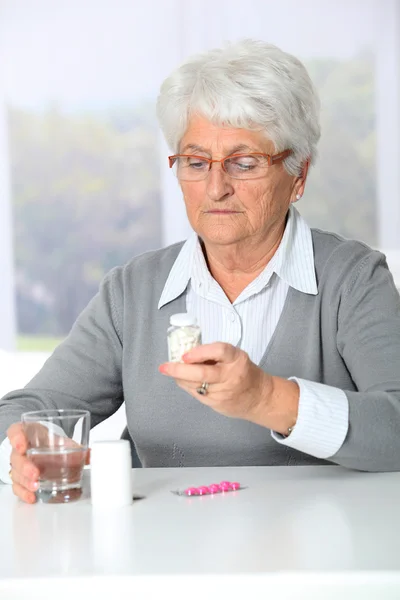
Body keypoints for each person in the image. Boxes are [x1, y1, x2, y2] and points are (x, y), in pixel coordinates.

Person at [1, 39, 400, 504]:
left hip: (314, 556)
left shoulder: (353, 279)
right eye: (195, 162)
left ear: (298, 175)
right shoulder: (132, 290)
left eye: (244, 163)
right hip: (161, 560)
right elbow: (29, 409)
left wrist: (265, 398)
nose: (215, 187)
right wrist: (25, 447)